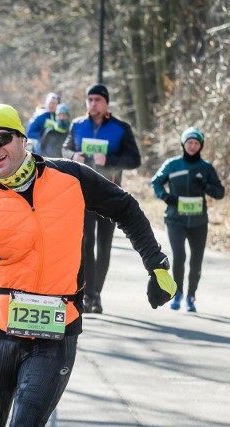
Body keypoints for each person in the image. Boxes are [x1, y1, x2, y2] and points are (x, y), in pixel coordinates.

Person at [0, 102, 176, 427]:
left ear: (22, 139)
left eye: (2, 139)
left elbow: (125, 207)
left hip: (56, 329)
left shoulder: (69, 176)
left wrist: (157, 264)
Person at [62, 84, 141, 314]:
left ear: (106, 102)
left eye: (97, 99)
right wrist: (72, 155)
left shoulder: (121, 128)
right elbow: (65, 148)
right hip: (82, 193)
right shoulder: (77, 125)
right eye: (89, 99)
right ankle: (86, 294)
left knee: (104, 245)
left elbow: (134, 159)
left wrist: (110, 160)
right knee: (85, 242)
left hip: (109, 193)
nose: (92, 103)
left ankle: (96, 293)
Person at [151, 127, 225, 312]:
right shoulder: (172, 164)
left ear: (201, 146)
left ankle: (191, 296)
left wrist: (206, 186)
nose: (192, 146)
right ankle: (177, 294)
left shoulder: (206, 168)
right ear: (183, 144)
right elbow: (156, 182)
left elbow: (220, 193)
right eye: (189, 142)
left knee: (196, 260)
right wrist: (165, 196)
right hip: (175, 219)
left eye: (196, 143)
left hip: (199, 221)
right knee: (179, 256)